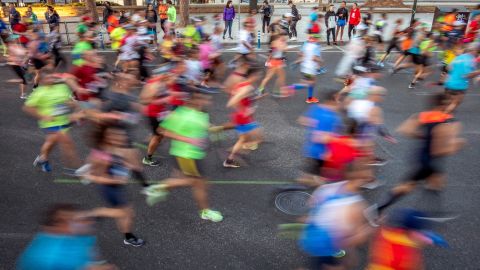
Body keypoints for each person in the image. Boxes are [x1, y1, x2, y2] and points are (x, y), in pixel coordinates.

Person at [377, 93, 466, 214]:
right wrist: (457, 145)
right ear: (444, 104)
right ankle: (378, 209)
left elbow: (405, 129)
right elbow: (440, 150)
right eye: (450, 103)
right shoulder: (447, 121)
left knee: (437, 181)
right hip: (429, 160)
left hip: (421, 155)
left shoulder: (423, 116)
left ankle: (433, 212)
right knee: (406, 187)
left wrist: (424, 136)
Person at [145, 90, 224, 223]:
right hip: (187, 155)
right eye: (206, 99)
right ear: (197, 101)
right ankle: (205, 211)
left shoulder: (201, 113)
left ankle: (161, 188)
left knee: (188, 180)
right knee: (199, 183)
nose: (209, 102)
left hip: (191, 154)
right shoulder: (181, 115)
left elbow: (201, 124)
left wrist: (212, 128)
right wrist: (188, 139)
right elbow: (162, 130)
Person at [299, 162, 373, 270]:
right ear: (362, 178)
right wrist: (367, 231)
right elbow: (350, 240)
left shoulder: (328, 188)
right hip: (326, 246)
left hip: (310, 237)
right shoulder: (356, 206)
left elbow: (312, 204)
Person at [84, 125, 145, 247]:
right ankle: (99, 213)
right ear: (106, 137)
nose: (120, 138)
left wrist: (131, 166)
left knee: (125, 213)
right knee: (128, 214)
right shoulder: (100, 156)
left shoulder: (115, 148)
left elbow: (120, 162)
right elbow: (90, 176)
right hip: (109, 188)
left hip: (117, 187)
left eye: (121, 135)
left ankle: (128, 237)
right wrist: (114, 180)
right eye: (114, 136)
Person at [17, 204, 117, 270]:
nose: (83, 222)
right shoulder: (51, 258)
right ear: (57, 227)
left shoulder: (79, 236)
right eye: (70, 220)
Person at [23, 68, 83, 173]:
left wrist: (72, 104)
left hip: (63, 120)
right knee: (67, 142)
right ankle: (73, 168)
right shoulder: (39, 92)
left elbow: (69, 100)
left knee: (51, 142)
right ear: (41, 80)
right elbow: (27, 108)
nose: (51, 79)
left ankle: (42, 159)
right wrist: (43, 116)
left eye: (52, 76)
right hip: (49, 123)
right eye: (48, 78)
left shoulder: (62, 87)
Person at [443, 45, 479, 113]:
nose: (477, 53)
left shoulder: (458, 57)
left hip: (448, 83)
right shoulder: (470, 60)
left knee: (447, 102)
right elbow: (466, 75)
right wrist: (477, 72)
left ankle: (443, 115)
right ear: (473, 51)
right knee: (455, 103)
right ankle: (443, 118)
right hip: (459, 85)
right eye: (477, 51)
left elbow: (448, 68)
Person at [6, 35, 28, 99]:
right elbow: (10, 58)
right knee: (24, 79)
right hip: (15, 65)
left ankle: (23, 94)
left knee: (24, 79)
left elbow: (25, 53)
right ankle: (23, 95)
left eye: (17, 38)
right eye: (16, 39)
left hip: (20, 64)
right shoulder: (11, 47)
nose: (18, 39)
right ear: (12, 40)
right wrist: (19, 62)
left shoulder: (18, 46)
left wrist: (25, 58)